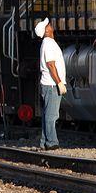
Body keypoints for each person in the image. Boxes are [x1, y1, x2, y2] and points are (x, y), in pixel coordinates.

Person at [34, 17, 67, 150]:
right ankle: (52, 142)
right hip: (51, 85)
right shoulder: (48, 43)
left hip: (49, 84)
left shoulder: (47, 43)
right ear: (46, 30)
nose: (50, 24)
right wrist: (59, 82)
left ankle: (45, 142)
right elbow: (51, 64)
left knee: (48, 114)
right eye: (47, 24)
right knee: (52, 115)